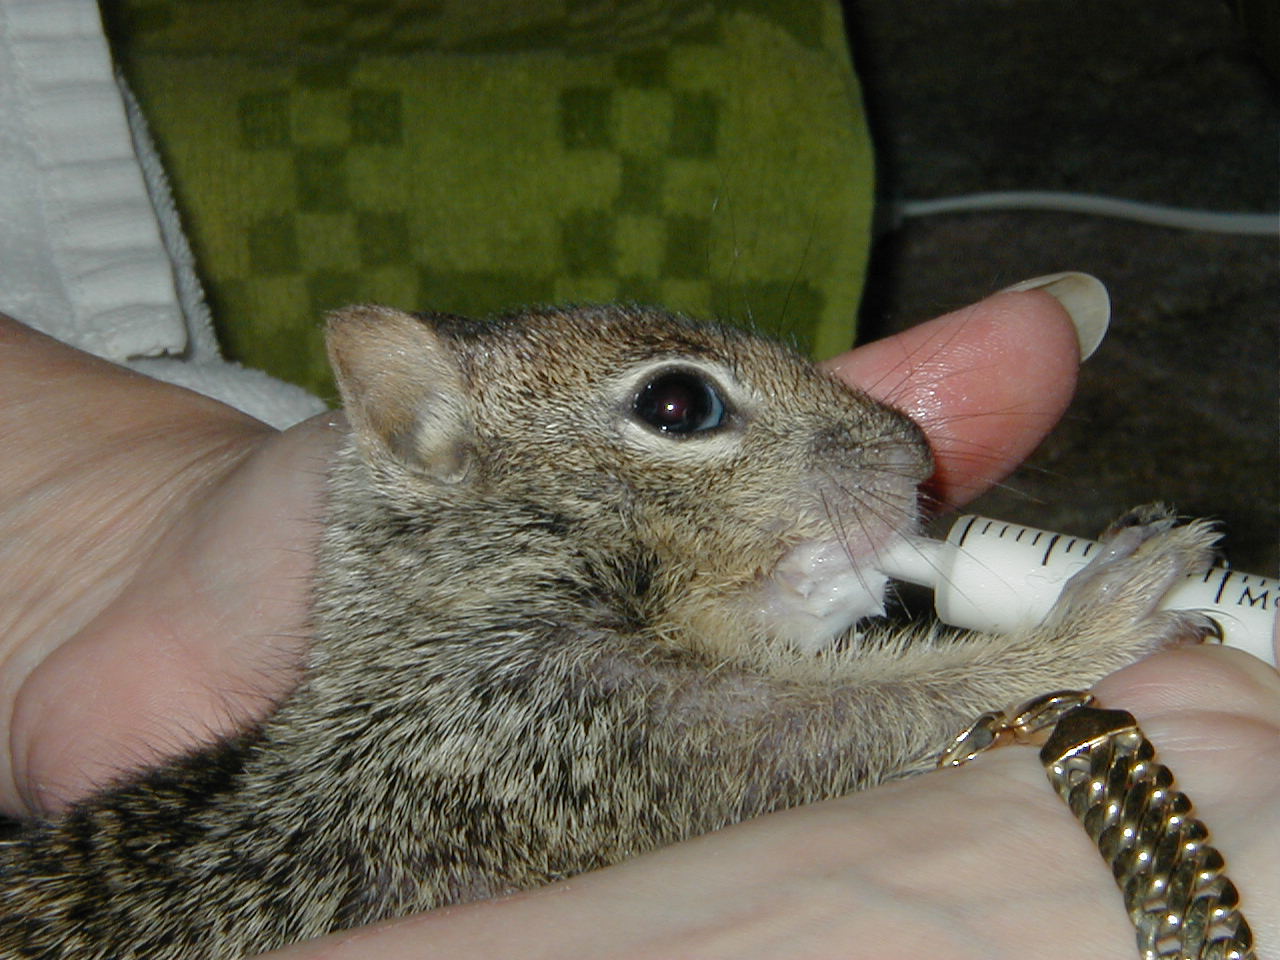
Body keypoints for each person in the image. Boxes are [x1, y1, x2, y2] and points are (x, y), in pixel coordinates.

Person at [0, 288, 1274, 959]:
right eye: (679, 412)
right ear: (425, 429)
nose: (888, 443)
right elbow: (696, 753)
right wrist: (1064, 653)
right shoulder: (492, 674)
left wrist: (119, 526)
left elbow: (715, 733)